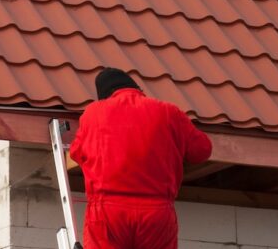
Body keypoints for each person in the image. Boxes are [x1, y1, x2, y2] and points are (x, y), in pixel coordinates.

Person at [69, 67, 212, 249]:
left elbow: (76, 152)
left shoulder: (94, 112)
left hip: (108, 213)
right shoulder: (169, 112)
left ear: (104, 96)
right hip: (156, 213)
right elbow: (202, 151)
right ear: (137, 89)